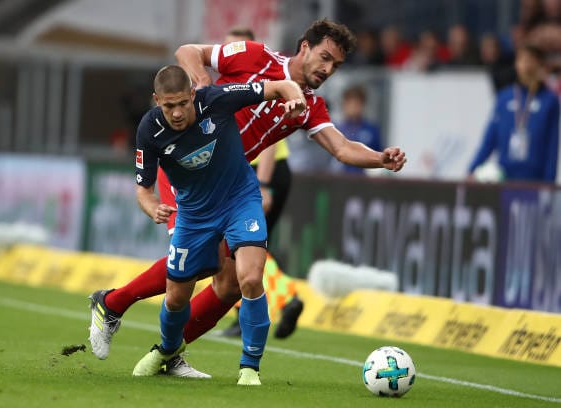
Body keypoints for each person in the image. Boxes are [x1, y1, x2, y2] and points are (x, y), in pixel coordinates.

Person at [88, 19, 407, 373]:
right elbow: (188, 52)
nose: (328, 69)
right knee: (191, 266)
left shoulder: (310, 105)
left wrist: (380, 159)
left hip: (229, 186)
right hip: (185, 173)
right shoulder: (254, 57)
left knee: (229, 285)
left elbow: (343, 148)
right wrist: (203, 83)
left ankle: (169, 353)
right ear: (304, 47)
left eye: (336, 65)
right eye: (325, 57)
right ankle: (112, 303)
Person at [129, 64, 306, 385]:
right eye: (169, 106)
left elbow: (281, 86)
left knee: (250, 278)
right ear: (157, 101)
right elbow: (144, 189)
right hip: (194, 215)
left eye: (183, 103)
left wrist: (298, 101)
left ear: (192, 95)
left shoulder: (217, 99)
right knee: (176, 297)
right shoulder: (148, 129)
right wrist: (153, 207)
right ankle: (167, 351)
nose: (178, 113)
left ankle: (249, 367)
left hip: (240, 201)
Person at [218, 26, 303, 339]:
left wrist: (262, 185)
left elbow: (270, 141)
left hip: (264, 173)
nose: (224, 58)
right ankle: (245, 314)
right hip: (254, 174)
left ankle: (287, 297)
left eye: (231, 50)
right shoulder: (235, 87)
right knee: (243, 245)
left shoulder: (258, 85)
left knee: (246, 245)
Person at [468, 44, 559, 182]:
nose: (524, 65)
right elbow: (489, 139)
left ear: (539, 65)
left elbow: (552, 146)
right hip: (504, 177)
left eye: (529, 60)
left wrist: (548, 183)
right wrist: (472, 170)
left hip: (535, 179)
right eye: (520, 60)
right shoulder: (505, 97)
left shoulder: (549, 100)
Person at [329, 85, 382, 175]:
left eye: (356, 104)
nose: (353, 107)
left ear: (363, 105)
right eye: (350, 103)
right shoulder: (335, 129)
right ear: (344, 105)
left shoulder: (372, 130)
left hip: (364, 180)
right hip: (339, 179)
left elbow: (379, 156)